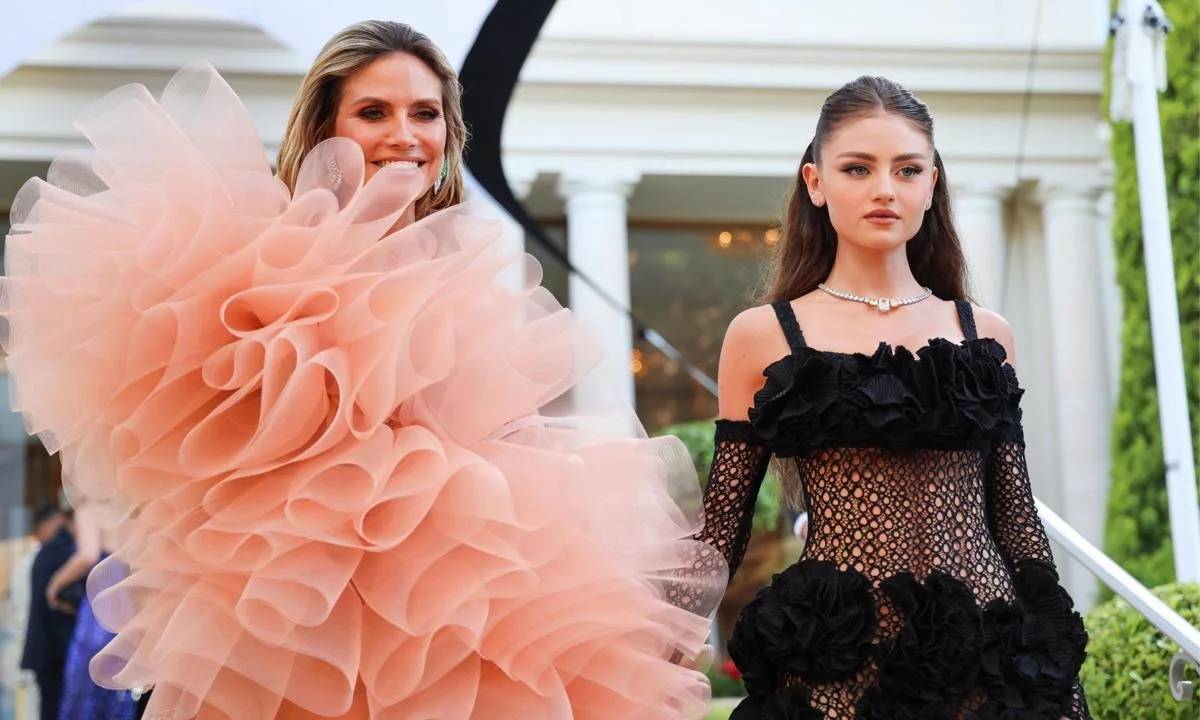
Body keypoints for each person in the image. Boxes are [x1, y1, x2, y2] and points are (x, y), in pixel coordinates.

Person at [0, 20, 721, 720]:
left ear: (449, 134)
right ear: (326, 129)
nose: (404, 134)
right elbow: (188, 450)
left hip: (458, 607)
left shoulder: (466, 272)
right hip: (296, 617)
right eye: (373, 112)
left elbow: (505, 439)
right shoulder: (262, 263)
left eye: (425, 113)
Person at [695, 76, 1091, 719]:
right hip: (838, 665)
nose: (885, 188)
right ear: (815, 183)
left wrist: (1054, 664)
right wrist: (652, 635)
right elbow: (724, 526)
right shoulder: (763, 335)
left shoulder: (985, 333)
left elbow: (1015, 517)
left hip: (984, 653)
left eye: (907, 169)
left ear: (931, 185)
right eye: (858, 168)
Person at [48, 500, 137, 720]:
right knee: (118, 679)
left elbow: (87, 555)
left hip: (100, 600)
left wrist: (55, 583)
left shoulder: (89, 509)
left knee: (86, 674)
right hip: (128, 602)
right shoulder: (130, 508)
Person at [20, 507, 76, 720]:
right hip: (55, 651)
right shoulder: (60, 548)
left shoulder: (48, 551)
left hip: (46, 650)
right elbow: (61, 596)